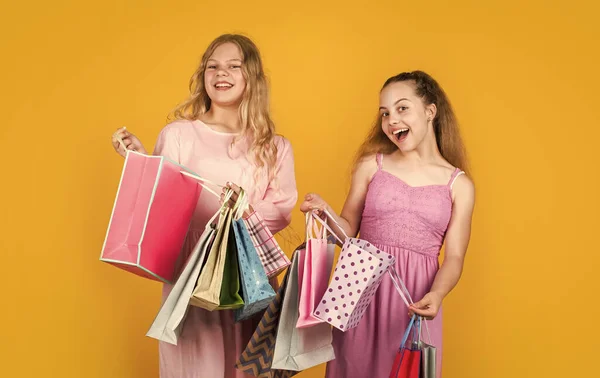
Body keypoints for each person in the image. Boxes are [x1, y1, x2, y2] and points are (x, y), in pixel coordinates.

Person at [111, 34, 298, 378]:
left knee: (248, 364)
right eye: (213, 66)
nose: (220, 73)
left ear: (251, 77)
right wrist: (141, 161)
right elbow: (162, 200)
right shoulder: (179, 134)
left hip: (250, 274)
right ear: (203, 75)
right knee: (195, 364)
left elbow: (283, 207)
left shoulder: (274, 146)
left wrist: (240, 213)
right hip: (193, 271)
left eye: (233, 66)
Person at [300, 71, 475, 378]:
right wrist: (325, 212)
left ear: (430, 111)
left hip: (415, 300)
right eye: (385, 113)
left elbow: (456, 256)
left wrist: (437, 294)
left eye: (402, 108)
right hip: (358, 290)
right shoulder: (372, 165)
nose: (392, 119)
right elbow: (347, 229)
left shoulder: (458, 184)